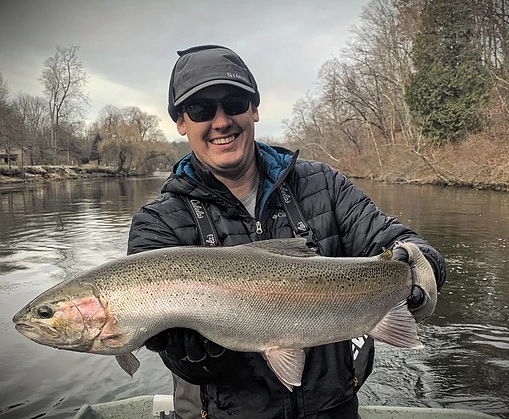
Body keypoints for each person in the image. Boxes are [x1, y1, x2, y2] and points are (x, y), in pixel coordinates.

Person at [127, 45, 446, 419]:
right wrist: (199, 337)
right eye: (200, 109)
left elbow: (407, 247)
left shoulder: (323, 185)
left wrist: (417, 269)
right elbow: (192, 369)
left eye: (233, 103)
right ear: (181, 121)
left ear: (254, 109)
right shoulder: (158, 222)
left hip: (334, 409)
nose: (220, 121)